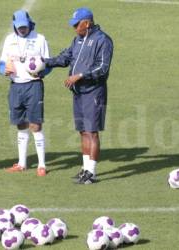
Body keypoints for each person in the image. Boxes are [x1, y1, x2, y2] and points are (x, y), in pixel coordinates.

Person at [44, 7, 113, 184]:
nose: (74, 28)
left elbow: (102, 68)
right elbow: (65, 58)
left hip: (93, 92)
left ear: (87, 23)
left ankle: (92, 172)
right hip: (79, 93)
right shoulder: (78, 40)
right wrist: (43, 62)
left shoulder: (103, 40)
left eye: (77, 25)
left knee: (92, 132)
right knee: (83, 131)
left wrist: (80, 76)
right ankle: (85, 169)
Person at [0, 10, 51, 176]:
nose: (22, 30)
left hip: (33, 86)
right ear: (14, 26)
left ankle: (42, 165)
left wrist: (41, 73)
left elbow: (48, 64)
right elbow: (1, 63)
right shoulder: (9, 40)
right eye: (19, 27)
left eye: (25, 27)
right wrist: (4, 70)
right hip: (16, 86)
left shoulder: (40, 39)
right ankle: (22, 163)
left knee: (35, 124)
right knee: (20, 124)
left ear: (30, 24)